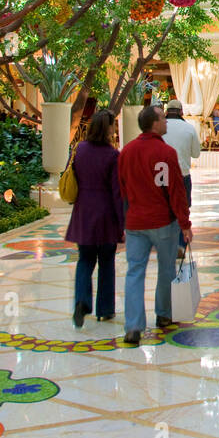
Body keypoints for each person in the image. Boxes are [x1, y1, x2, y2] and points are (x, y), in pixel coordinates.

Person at [118, 104, 193, 347]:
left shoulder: (126, 152)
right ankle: (163, 314)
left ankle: (133, 327)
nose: (166, 122)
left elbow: (121, 190)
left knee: (134, 271)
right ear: (153, 123)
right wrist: (185, 223)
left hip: (136, 222)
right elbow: (176, 192)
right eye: (162, 118)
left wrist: (123, 219)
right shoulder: (166, 153)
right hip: (163, 222)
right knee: (166, 269)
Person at [65, 109, 125, 328]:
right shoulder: (112, 155)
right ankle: (105, 309)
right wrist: (122, 223)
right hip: (106, 214)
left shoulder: (80, 150)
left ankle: (81, 301)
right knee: (106, 261)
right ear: (107, 128)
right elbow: (117, 192)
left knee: (85, 260)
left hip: (84, 212)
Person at [161, 98, 201, 204]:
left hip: (162, 175)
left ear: (166, 112)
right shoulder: (189, 128)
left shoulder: (159, 128)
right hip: (182, 174)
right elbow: (196, 154)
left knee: (163, 208)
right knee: (183, 209)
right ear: (181, 112)